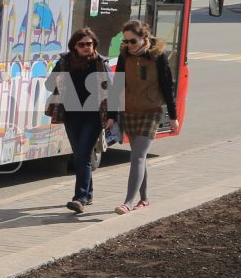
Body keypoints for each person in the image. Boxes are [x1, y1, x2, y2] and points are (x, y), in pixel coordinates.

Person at [113, 21, 178, 215]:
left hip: (151, 112)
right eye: (126, 42)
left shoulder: (158, 57)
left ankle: (128, 202)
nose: (129, 45)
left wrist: (173, 116)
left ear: (144, 38)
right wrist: (111, 115)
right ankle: (144, 199)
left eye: (133, 41)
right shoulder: (125, 55)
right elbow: (117, 85)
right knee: (138, 158)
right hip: (130, 112)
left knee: (138, 156)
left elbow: (167, 87)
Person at [47, 29, 110, 214]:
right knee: (80, 155)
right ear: (74, 46)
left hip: (94, 116)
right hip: (71, 115)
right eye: (81, 44)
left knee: (82, 155)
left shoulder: (100, 63)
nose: (85, 47)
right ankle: (88, 193)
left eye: (89, 44)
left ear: (94, 45)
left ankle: (80, 198)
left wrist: (113, 117)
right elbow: (49, 85)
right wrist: (57, 78)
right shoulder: (65, 61)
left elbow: (113, 91)